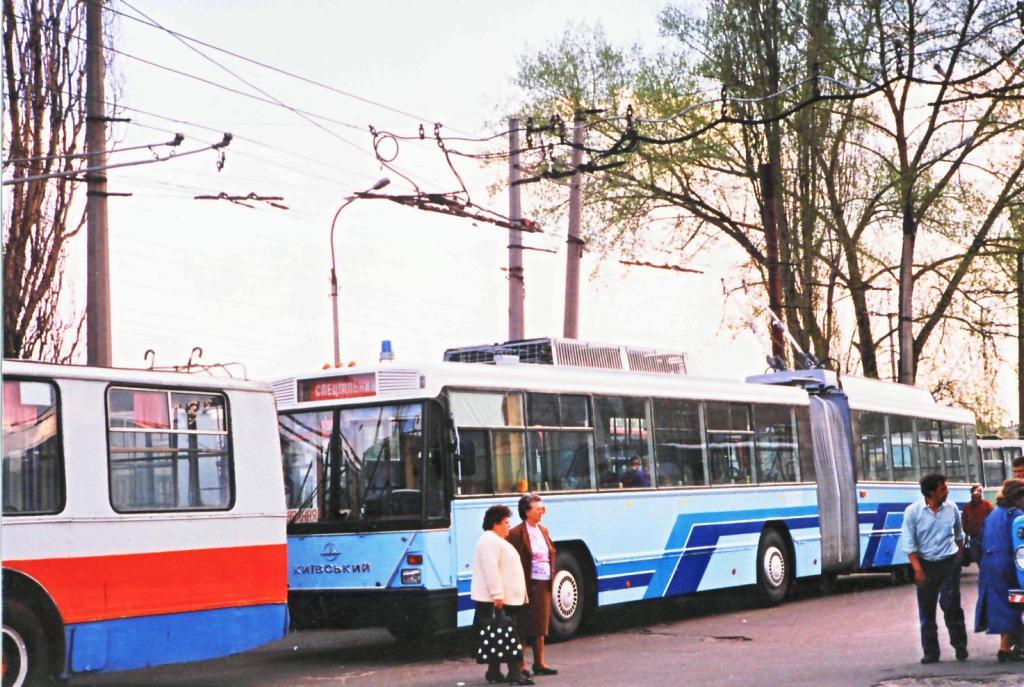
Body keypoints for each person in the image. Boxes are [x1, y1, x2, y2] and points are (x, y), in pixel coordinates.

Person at [901, 472, 968, 664]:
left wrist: (958, 558)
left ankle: (959, 644)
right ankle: (931, 652)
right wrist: (918, 569)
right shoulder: (913, 512)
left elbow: (959, 535)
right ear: (931, 492)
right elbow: (909, 543)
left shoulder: (952, 508)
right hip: (925, 564)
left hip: (948, 562)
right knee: (927, 610)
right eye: (943, 489)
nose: (947, 492)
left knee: (951, 604)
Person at [471, 505, 534, 685]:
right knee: (509, 636)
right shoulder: (489, 541)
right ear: (495, 523)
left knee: (496, 635)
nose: (509, 526)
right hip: (499, 600)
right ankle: (515, 674)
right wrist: (497, 595)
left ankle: (494, 672)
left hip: (502, 599)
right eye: (506, 522)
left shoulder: (494, 540)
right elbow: (491, 570)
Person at [507, 494, 559, 678]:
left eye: (542, 508)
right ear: (527, 512)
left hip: (543, 582)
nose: (542, 512)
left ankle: (539, 663)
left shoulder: (543, 530)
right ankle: (520, 665)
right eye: (538, 509)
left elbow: (550, 552)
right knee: (522, 624)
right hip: (526, 584)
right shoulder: (515, 533)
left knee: (541, 623)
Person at [974, 479, 1024, 662]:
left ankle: (1008, 647)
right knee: (1015, 603)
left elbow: (979, 540)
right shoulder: (1017, 516)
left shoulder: (994, 514)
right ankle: (1006, 648)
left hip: (989, 564)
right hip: (1009, 563)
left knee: (1001, 605)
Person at [960, 484, 993, 567]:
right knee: (977, 557)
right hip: (973, 536)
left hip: (986, 536)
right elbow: (964, 520)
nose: (977, 494)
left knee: (987, 557)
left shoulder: (987, 504)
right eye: (975, 492)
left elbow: (992, 518)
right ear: (971, 493)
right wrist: (967, 532)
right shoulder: (967, 507)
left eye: (979, 492)